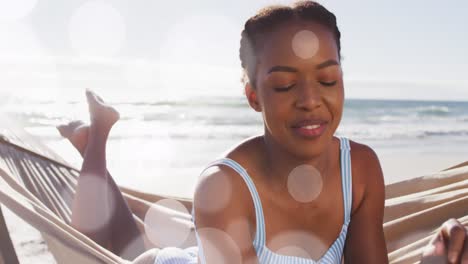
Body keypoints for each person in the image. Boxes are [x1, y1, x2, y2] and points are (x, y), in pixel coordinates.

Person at [57, 1, 468, 263]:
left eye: (327, 80)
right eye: (285, 86)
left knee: (130, 236)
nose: (310, 100)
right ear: (254, 96)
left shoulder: (360, 169)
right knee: (103, 251)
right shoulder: (222, 188)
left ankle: (91, 139)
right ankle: (97, 138)